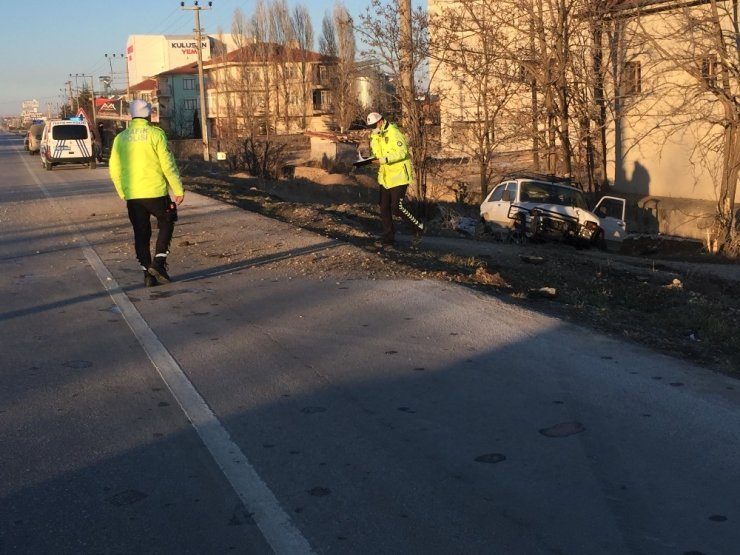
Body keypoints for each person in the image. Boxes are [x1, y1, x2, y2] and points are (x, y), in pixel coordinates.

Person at [109, 99, 185, 287]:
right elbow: (167, 164)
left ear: (131, 115)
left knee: (141, 233)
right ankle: (158, 263)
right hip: (155, 192)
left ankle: (147, 275)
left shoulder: (120, 138)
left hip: (133, 195)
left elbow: (114, 168)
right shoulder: (155, 134)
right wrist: (178, 188)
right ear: (149, 114)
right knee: (167, 221)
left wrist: (123, 192)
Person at [366, 111, 424, 248]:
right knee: (384, 207)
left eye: (374, 125)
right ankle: (388, 237)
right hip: (386, 177)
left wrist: (383, 159)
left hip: (399, 176)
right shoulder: (376, 136)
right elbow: (377, 153)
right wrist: (372, 157)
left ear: (380, 121)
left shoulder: (394, 132)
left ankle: (418, 227)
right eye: (371, 126)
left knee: (396, 208)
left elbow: (402, 152)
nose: (373, 128)